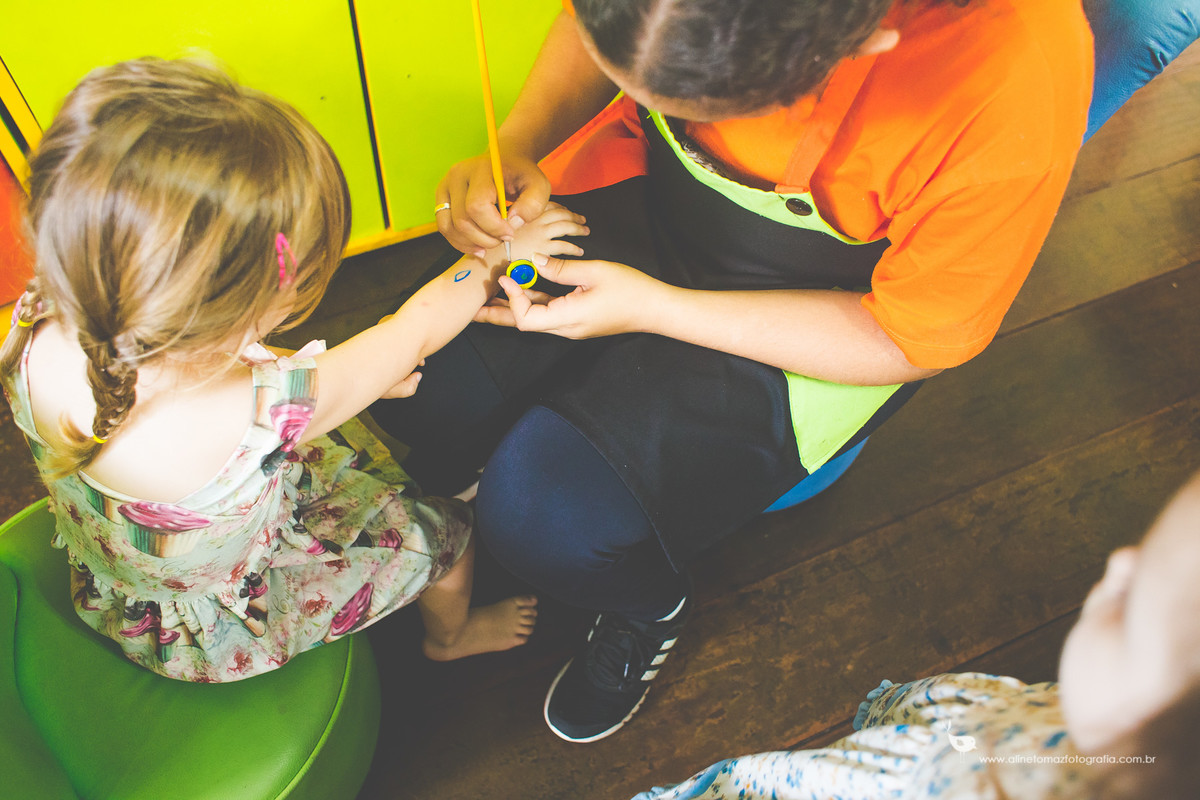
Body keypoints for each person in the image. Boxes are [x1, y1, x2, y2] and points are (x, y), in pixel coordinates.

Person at [369, 0, 1093, 741]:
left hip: (831, 309)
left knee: (541, 520)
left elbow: (912, 339)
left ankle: (647, 610)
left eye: (685, 101)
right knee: (420, 382)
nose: (640, 103)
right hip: (653, 190)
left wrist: (658, 310)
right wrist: (521, 139)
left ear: (865, 41)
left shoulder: (1013, 74)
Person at [0, 58, 589, 682]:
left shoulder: (40, 318)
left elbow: (209, 386)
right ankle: (451, 637)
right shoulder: (267, 409)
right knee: (449, 539)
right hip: (242, 611)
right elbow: (411, 331)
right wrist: (501, 255)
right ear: (235, 314)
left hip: (134, 586)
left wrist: (349, 377)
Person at [630, 469, 1200, 800]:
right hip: (982, 729)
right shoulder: (1136, 746)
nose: (1120, 563)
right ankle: (893, 716)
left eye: (1126, 605)